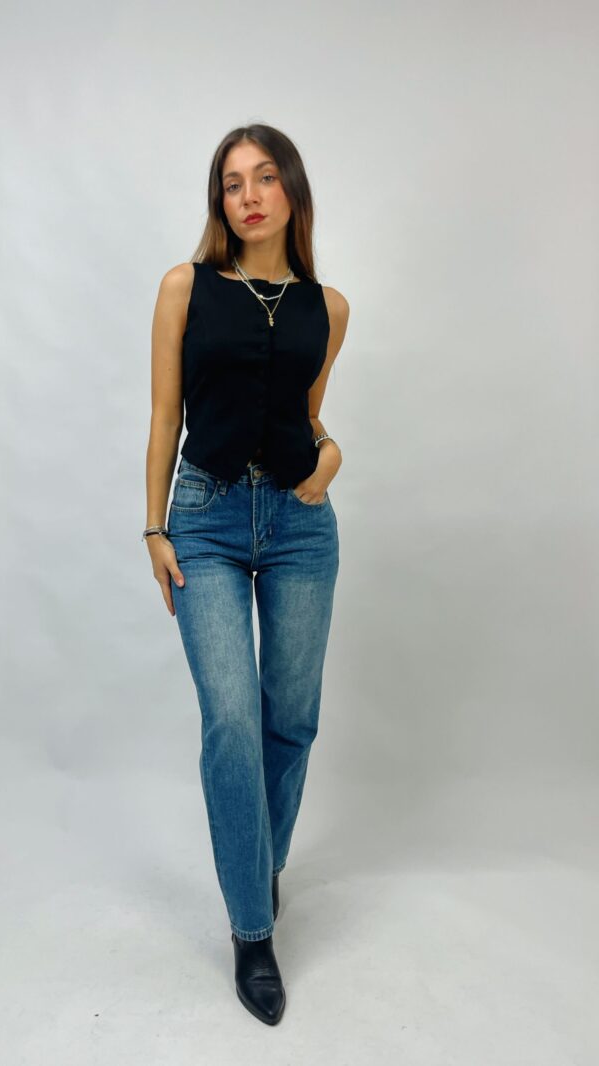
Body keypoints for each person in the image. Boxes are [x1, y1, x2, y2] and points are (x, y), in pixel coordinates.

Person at [143, 123, 349, 1026]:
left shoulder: (329, 307)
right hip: (206, 519)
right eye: (233, 183)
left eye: (266, 178)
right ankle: (252, 930)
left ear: (292, 192)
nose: (250, 195)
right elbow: (165, 415)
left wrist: (331, 456)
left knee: (290, 719)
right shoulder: (184, 287)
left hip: (301, 524)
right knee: (231, 720)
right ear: (219, 202)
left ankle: (260, 860)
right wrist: (155, 527)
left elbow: (309, 414)